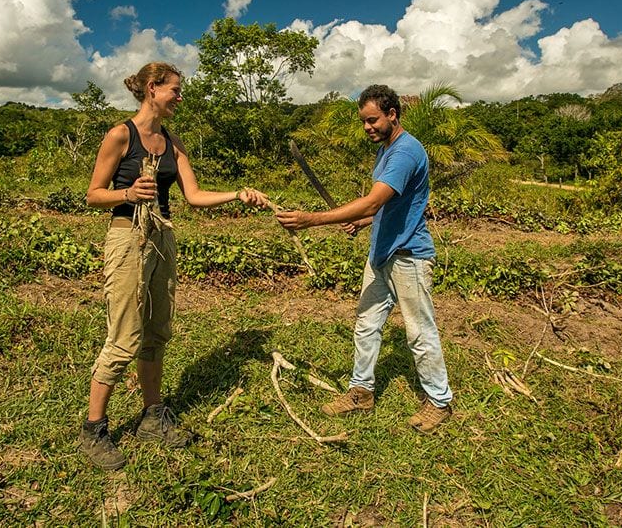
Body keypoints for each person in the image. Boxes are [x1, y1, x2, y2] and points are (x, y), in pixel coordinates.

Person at [80, 61, 268, 470]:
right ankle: (94, 429)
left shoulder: (172, 142)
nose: (179, 97)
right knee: (124, 337)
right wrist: (127, 193)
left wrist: (237, 194)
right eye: (175, 90)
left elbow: (194, 196)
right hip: (128, 235)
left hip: (162, 236)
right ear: (152, 88)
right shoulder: (120, 135)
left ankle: (152, 415)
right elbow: (94, 195)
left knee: (157, 330)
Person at [276, 84, 453, 433]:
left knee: (419, 332)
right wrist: (364, 220)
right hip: (382, 253)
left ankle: (439, 401)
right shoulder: (386, 149)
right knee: (367, 324)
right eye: (363, 122)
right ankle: (362, 391)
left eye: (373, 120)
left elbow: (373, 200)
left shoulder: (405, 152)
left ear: (392, 114)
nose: (367, 127)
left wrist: (311, 219)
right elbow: (387, 204)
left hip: (409, 257)